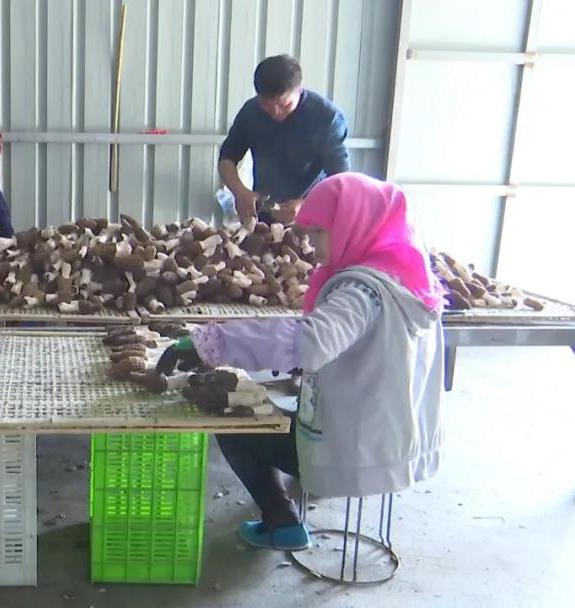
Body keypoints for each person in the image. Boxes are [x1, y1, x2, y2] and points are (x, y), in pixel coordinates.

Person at [158, 173, 444, 550]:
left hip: (352, 448)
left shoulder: (360, 291)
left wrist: (213, 342)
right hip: (393, 441)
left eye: (319, 233)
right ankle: (283, 518)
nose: (311, 245)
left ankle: (282, 522)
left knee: (233, 424)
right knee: (268, 405)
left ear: (354, 224)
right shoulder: (403, 280)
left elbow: (312, 343)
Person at [218, 54, 350, 225]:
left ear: (300, 89)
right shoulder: (251, 111)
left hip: (314, 217)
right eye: (266, 106)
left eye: (285, 105)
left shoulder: (327, 118)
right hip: (264, 215)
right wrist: (240, 192)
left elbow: (342, 180)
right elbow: (226, 158)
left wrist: (306, 205)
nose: (276, 113)